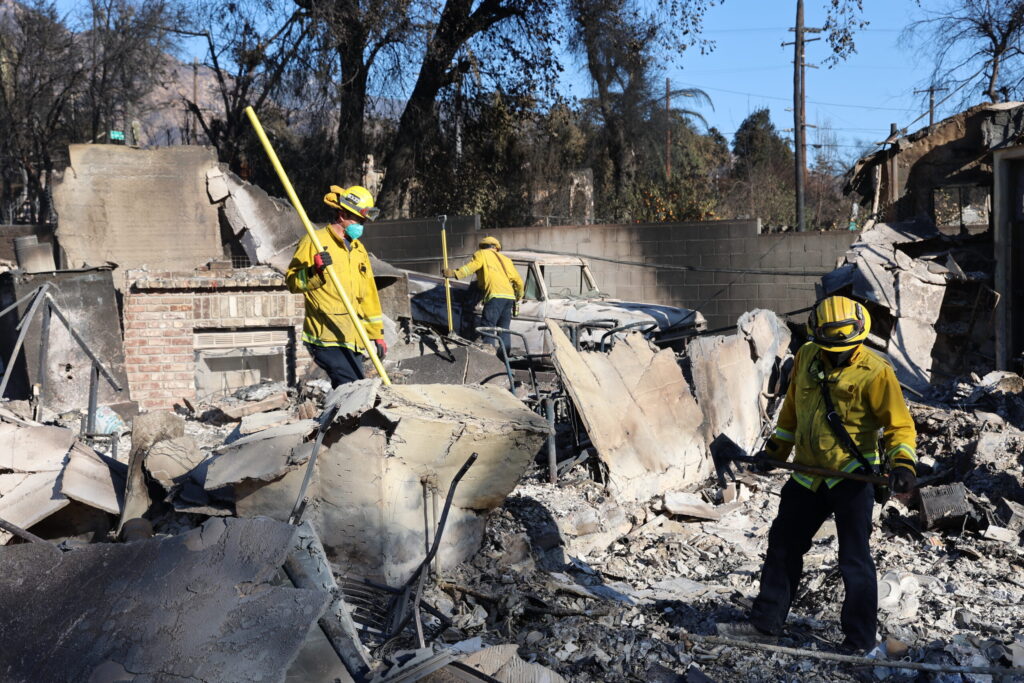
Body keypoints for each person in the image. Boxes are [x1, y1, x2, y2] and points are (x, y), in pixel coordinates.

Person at [718, 295, 917, 653]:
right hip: (807, 476)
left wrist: (902, 464)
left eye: (843, 349)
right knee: (782, 548)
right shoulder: (808, 356)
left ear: (858, 337)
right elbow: (791, 413)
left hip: (852, 478)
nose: (835, 354)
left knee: (854, 561)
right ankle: (766, 625)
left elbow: (899, 427)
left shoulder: (876, 371)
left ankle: (858, 643)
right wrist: (774, 453)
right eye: (830, 348)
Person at [286, 184, 386, 388]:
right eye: (358, 219)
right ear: (342, 214)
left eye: (364, 221)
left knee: (354, 389)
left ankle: (336, 419)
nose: (361, 225)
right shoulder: (314, 241)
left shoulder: (358, 249)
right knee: (352, 388)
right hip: (326, 337)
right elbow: (293, 282)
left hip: (353, 336)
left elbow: (368, 295)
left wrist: (377, 334)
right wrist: (315, 271)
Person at [443, 236, 523, 355]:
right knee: (504, 330)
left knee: (488, 327)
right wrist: (518, 297)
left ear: (483, 247)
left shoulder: (481, 254)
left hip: (495, 296)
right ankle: (503, 359)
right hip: (509, 299)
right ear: (496, 248)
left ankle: (488, 357)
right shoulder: (506, 260)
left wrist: (454, 273)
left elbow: (470, 268)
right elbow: (519, 282)